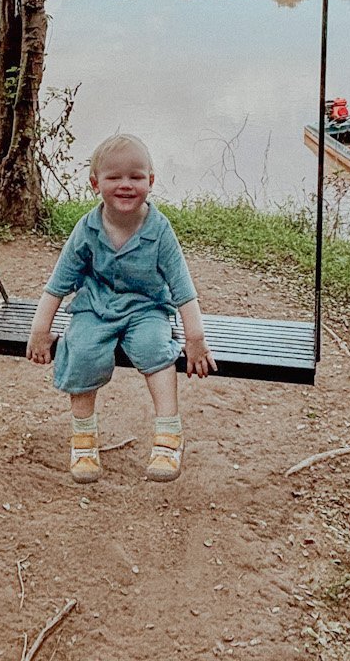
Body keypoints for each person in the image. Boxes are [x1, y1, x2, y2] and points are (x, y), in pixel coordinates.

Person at [26, 132, 215, 484]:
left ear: (151, 182)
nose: (126, 185)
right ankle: (83, 440)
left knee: (155, 349)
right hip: (95, 307)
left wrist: (195, 338)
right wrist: (40, 331)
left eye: (136, 176)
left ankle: (168, 435)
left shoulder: (159, 231)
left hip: (146, 309)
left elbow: (183, 289)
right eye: (114, 177)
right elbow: (58, 283)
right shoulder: (87, 230)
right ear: (96, 183)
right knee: (80, 349)